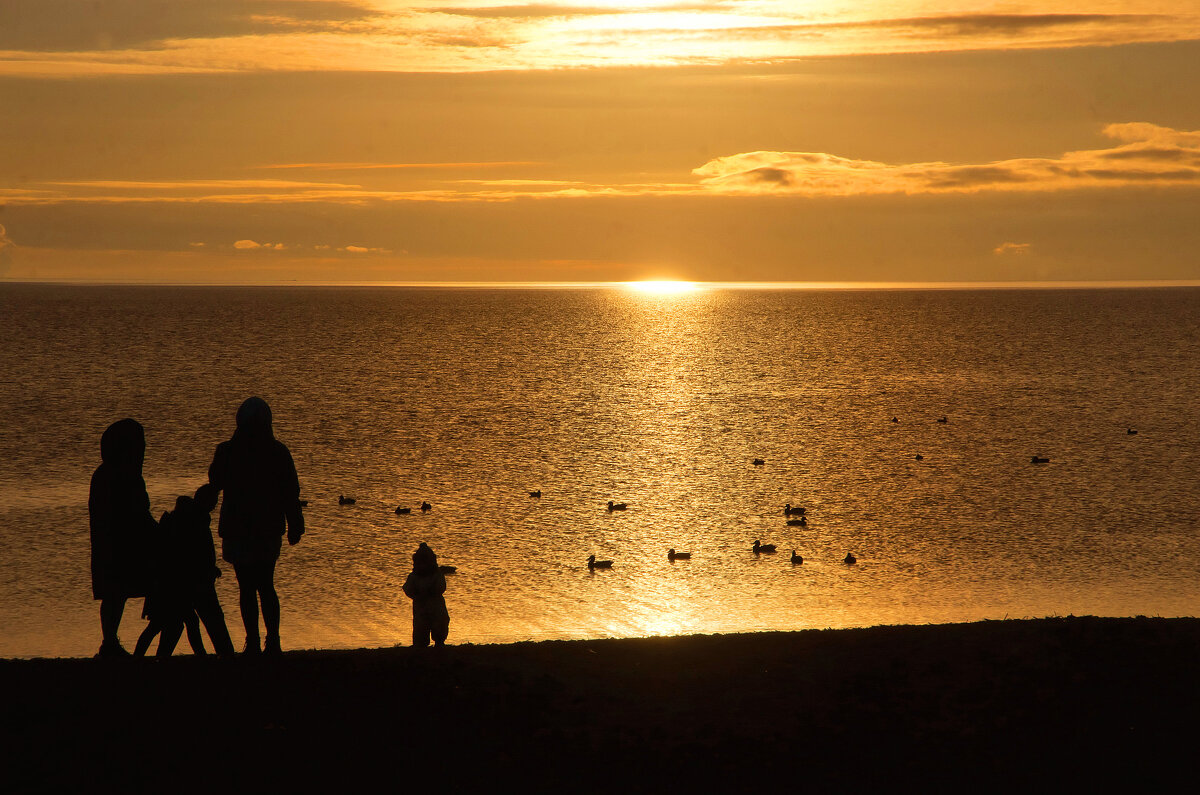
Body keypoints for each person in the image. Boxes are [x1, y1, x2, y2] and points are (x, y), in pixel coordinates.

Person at [208, 397, 304, 656]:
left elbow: (214, 482)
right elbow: (290, 492)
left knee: (249, 586)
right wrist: (295, 522)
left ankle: (257, 640)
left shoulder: (228, 451)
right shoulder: (277, 452)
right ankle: (268, 640)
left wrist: (295, 521)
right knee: (263, 585)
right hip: (263, 529)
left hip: (245, 530)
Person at [133, 484, 235, 658]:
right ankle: (220, 654)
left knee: (178, 623)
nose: (215, 505)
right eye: (213, 501)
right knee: (196, 619)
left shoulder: (186, 519)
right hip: (189, 582)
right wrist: (207, 570)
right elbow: (191, 553)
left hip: (178, 582)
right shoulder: (195, 521)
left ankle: (161, 657)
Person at [89, 418, 157, 658]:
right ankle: (109, 643)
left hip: (111, 543)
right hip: (118, 544)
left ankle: (109, 641)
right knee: (114, 594)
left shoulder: (105, 473)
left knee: (114, 595)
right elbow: (137, 510)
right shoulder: (122, 475)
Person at [402, 542, 450, 648]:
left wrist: (431, 592)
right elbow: (407, 588)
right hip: (421, 605)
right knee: (421, 627)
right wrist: (417, 595)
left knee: (439, 624)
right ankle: (421, 645)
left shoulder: (436, 575)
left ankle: (439, 642)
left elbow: (441, 587)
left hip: (435, 604)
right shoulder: (414, 576)